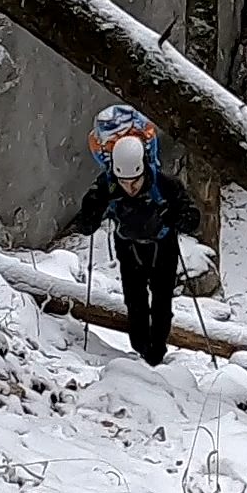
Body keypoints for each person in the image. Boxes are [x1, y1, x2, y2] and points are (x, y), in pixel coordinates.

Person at [71, 135, 201, 366]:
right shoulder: (107, 185)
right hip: (128, 247)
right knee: (135, 301)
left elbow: (193, 219)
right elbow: (85, 226)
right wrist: (91, 207)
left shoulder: (165, 185)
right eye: (124, 182)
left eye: (135, 181)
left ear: (144, 170)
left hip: (163, 248)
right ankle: (139, 348)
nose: (130, 188)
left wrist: (177, 217)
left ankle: (156, 353)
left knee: (162, 303)